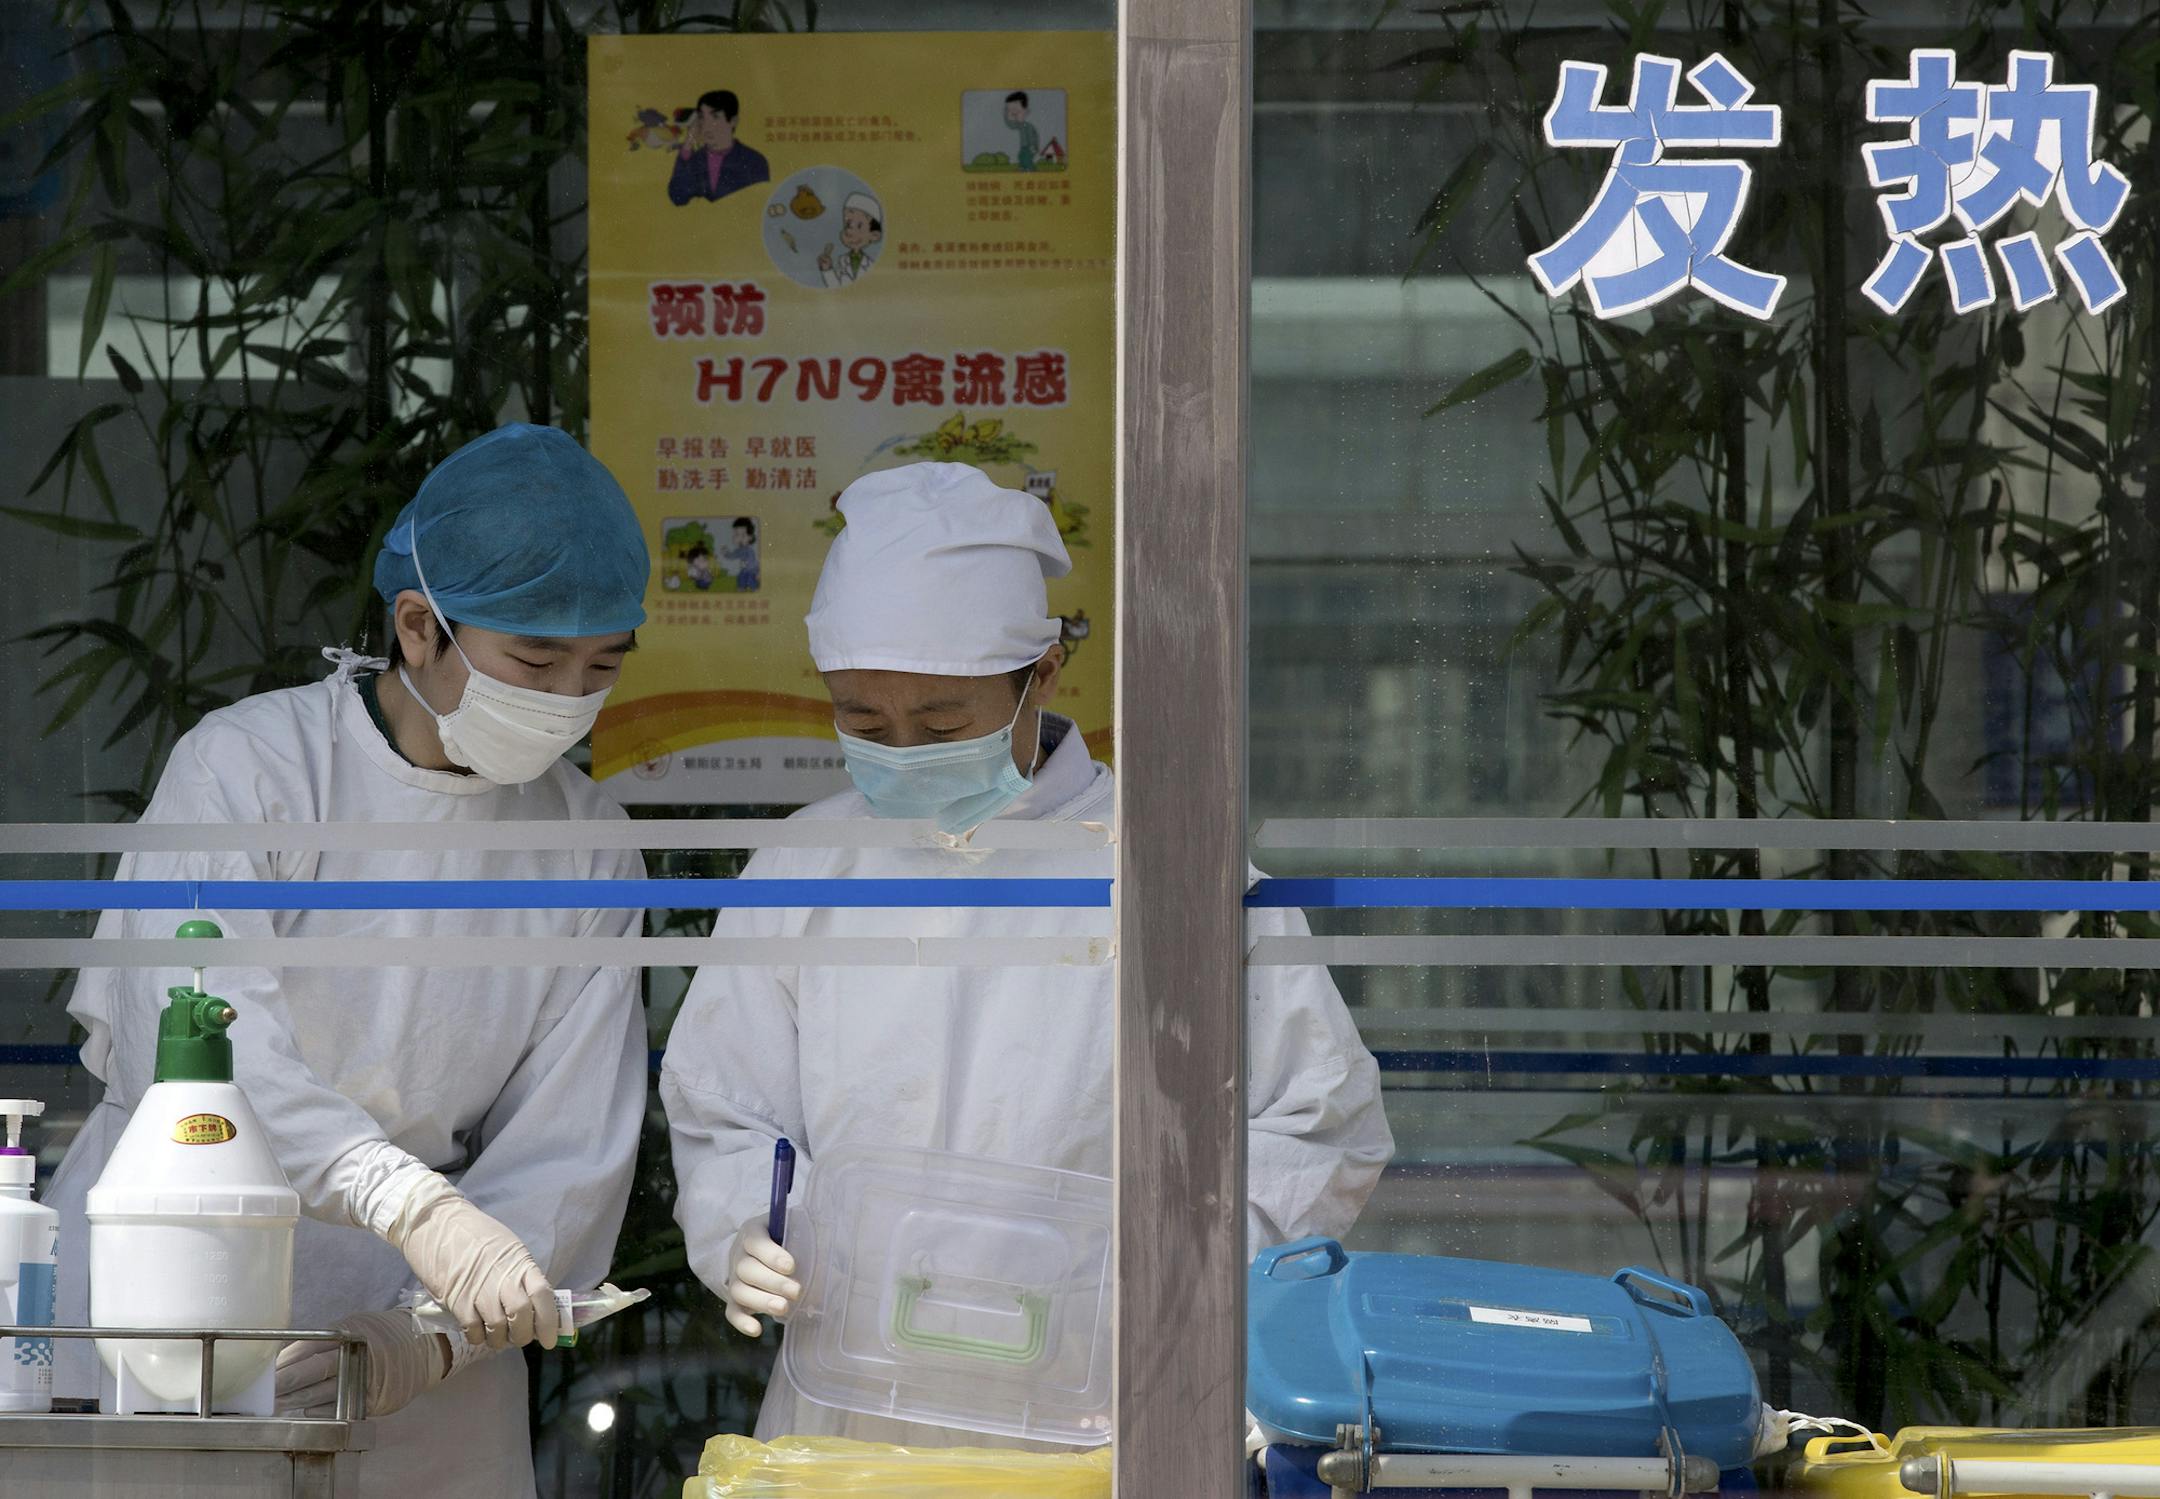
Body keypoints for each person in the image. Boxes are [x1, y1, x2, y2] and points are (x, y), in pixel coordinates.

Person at [661, 462, 1393, 1444]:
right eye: (865, 723)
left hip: (1092, 1408)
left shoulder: (1172, 865)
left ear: (1043, 675)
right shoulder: (808, 862)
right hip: (849, 1412)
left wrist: (1167, 1285)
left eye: (943, 723)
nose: (904, 751)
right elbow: (725, 1101)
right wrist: (745, 1219)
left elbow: (1319, 1117)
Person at [46, 425, 652, 1499]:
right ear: (419, 627)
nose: (569, 696)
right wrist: (414, 1207)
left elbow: (571, 1145)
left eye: (601, 663)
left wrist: (427, 1332)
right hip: (180, 1277)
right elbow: (197, 1057)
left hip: (429, 1339)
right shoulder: (251, 769)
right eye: (534, 661)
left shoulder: (585, 843)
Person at [667, 88, 771, 205]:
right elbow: (678, 197)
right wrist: (687, 145)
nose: (706, 125)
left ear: (733, 121)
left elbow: (759, 203)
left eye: (715, 117)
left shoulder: (754, 160)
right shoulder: (694, 159)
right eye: (702, 117)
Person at [817, 192, 882, 287]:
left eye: (859, 226)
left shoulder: (873, 265)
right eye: (848, 224)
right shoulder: (841, 261)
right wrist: (827, 269)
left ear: (874, 235)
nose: (850, 230)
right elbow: (835, 288)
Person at [1003, 90, 1040, 171]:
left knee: (1026, 158)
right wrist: (1006, 113)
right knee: (1021, 156)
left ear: (1026, 111)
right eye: (1013, 114)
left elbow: (1033, 136)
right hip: (1024, 147)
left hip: (1030, 147)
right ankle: (1022, 167)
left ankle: (1030, 169)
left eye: (1017, 112)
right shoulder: (1020, 125)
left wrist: (1033, 147)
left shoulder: (1028, 126)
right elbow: (1011, 124)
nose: (1015, 116)